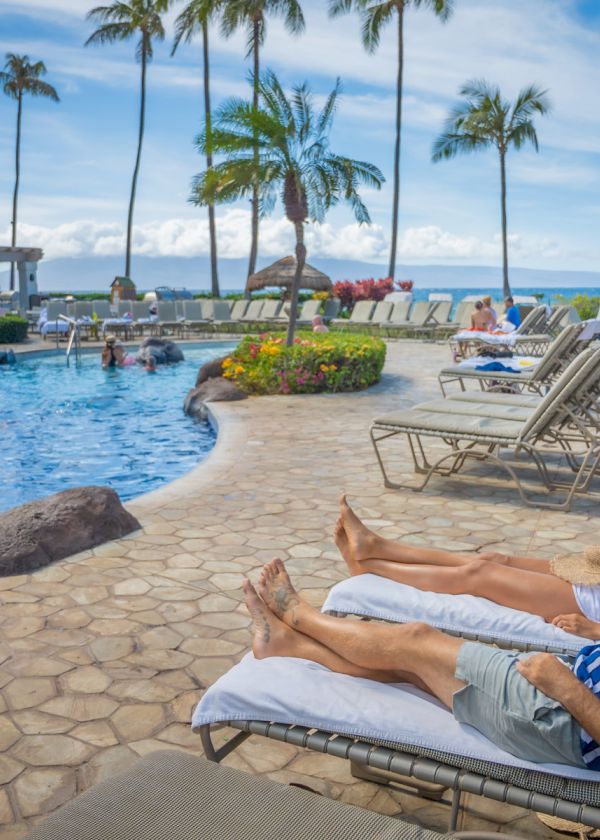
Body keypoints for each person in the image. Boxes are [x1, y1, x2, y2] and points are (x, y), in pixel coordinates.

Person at [244, 558, 600, 770]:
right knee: (410, 668)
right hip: (563, 697)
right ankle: (286, 644)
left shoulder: (564, 694)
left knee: (415, 640)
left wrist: (565, 688)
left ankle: (298, 614)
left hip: (558, 715)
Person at [334, 495, 600, 636]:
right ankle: (376, 547)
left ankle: (371, 569)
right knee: (494, 560)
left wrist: (596, 630)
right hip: (593, 577)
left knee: (480, 574)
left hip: (589, 604)